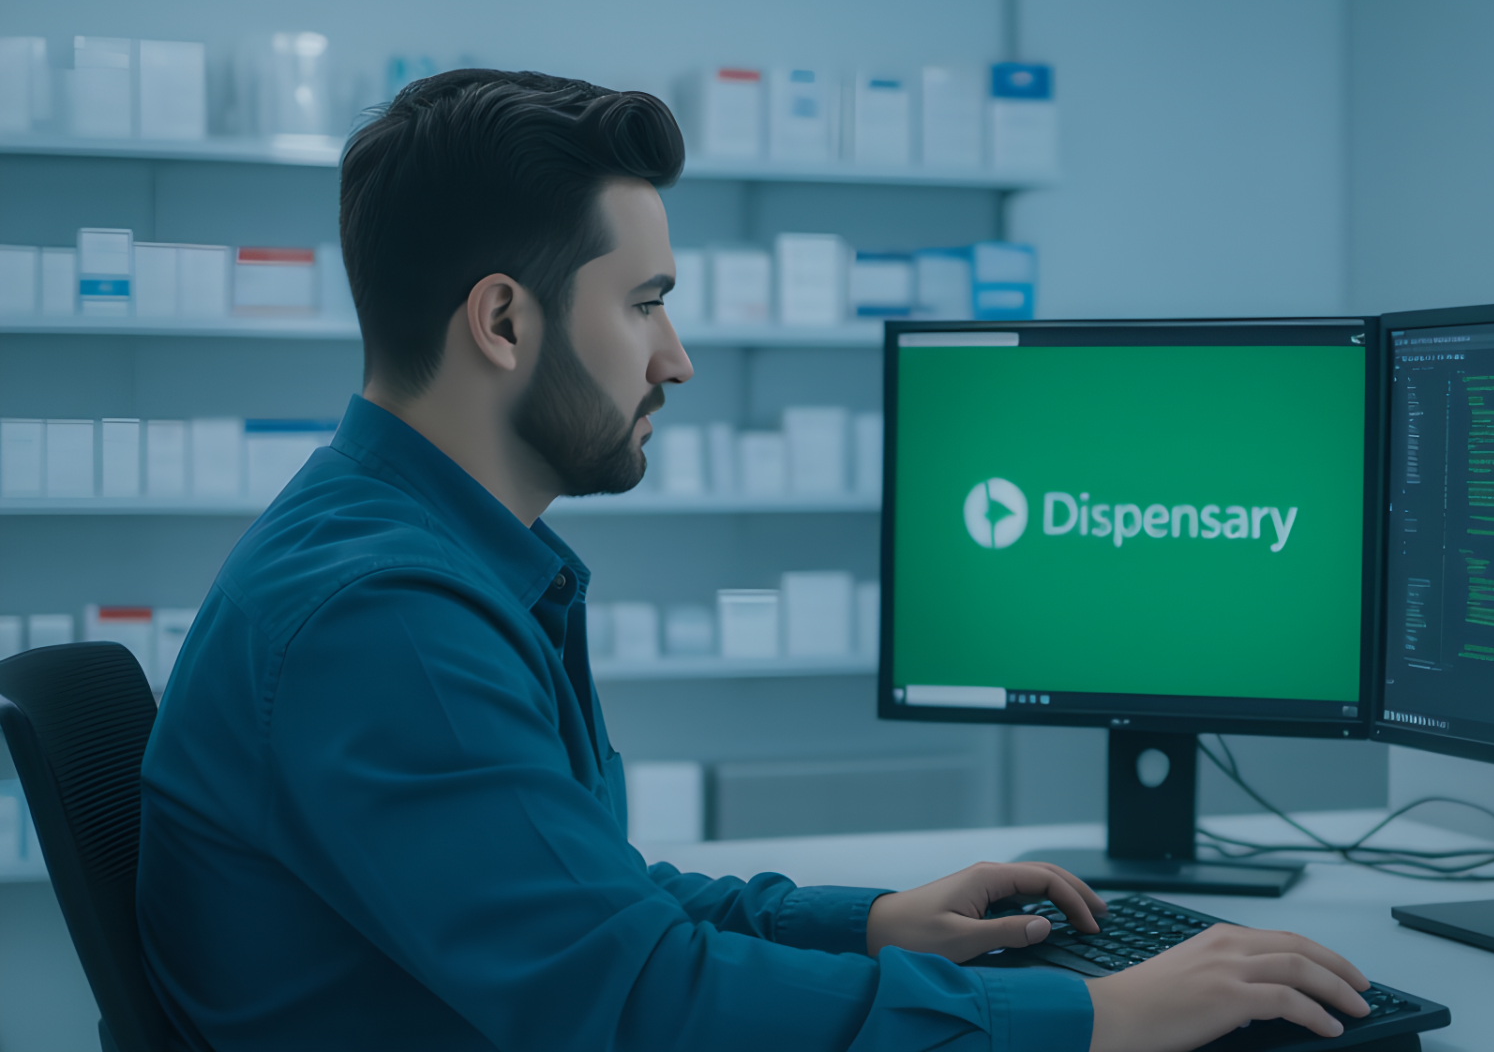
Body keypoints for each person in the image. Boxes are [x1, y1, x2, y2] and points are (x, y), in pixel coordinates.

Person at [138, 69, 1372, 1052]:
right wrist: (1099, 1017)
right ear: (503, 321)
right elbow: (642, 1003)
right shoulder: (386, 619)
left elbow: (586, 905)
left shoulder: (418, 556)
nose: (675, 360)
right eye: (645, 303)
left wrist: (876, 925)